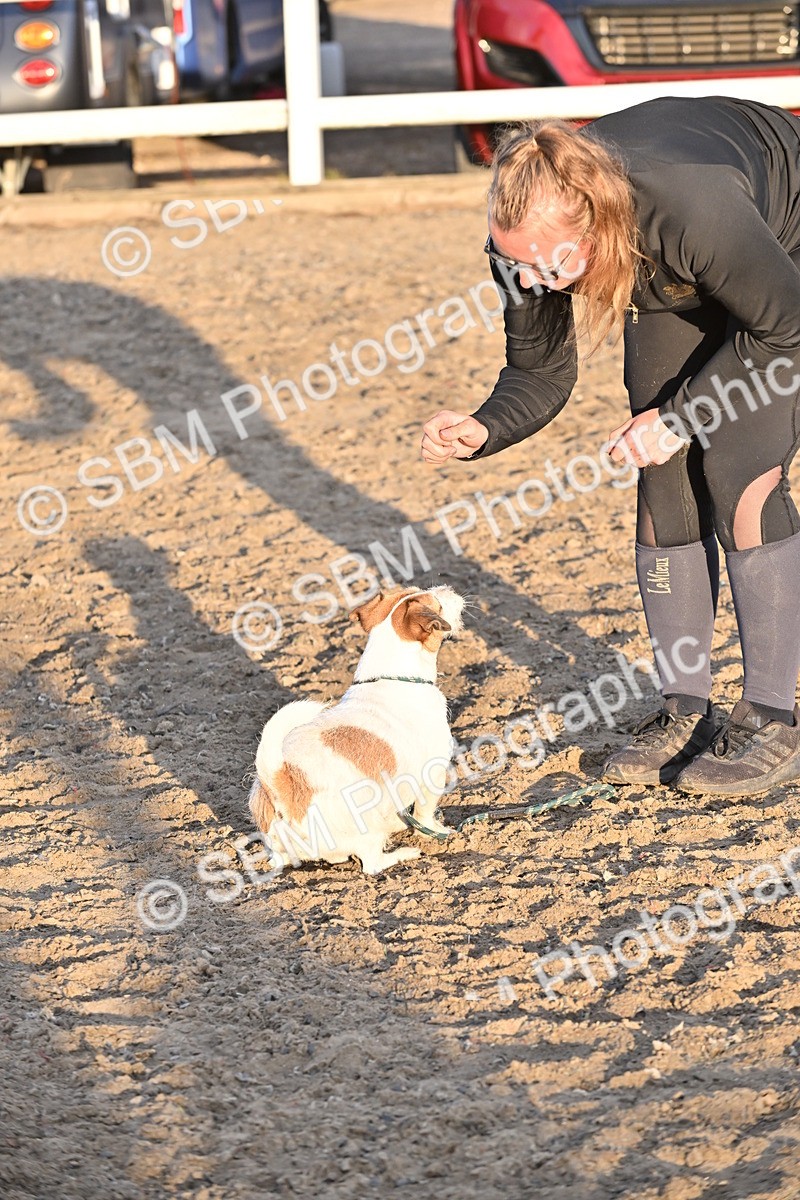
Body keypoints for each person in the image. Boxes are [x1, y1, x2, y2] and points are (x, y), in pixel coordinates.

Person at [420, 95, 800, 797]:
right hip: (669, 270)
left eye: (548, 267)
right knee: (661, 476)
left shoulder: (692, 207)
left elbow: (786, 329)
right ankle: (685, 709)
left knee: (740, 473)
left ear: (595, 221)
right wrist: (486, 426)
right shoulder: (526, 246)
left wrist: (684, 415)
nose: (530, 283)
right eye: (518, 268)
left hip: (781, 249)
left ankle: (775, 718)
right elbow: (538, 370)